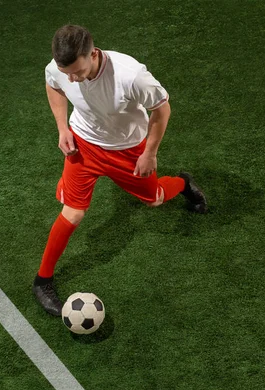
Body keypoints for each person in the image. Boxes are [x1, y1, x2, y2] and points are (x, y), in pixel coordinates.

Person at [33, 25, 207, 316]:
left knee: (154, 199)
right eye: (68, 74)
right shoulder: (60, 68)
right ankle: (43, 280)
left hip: (127, 150)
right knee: (72, 212)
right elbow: (53, 85)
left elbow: (162, 110)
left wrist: (150, 153)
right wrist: (63, 127)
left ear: (93, 53)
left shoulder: (131, 75)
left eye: (77, 71)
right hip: (83, 145)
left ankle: (182, 182)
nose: (72, 79)